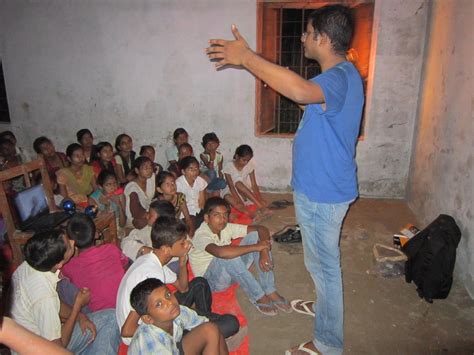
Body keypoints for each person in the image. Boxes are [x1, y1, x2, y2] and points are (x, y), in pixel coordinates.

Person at [205, 5, 364, 354]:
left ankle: (328, 343)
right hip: (319, 188)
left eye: (307, 33)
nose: (302, 37)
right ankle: (325, 312)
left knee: (326, 270)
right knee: (319, 264)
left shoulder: (335, 79)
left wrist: (247, 57)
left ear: (323, 38)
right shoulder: (342, 75)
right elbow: (299, 88)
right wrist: (253, 60)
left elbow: (301, 92)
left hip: (323, 193)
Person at [116, 216, 239, 346]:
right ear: (166, 249)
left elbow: (183, 288)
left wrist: (182, 262)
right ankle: (206, 335)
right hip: (147, 332)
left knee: (199, 283)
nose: (187, 244)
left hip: (159, 312)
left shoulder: (154, 260)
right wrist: (171, 330)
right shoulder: (150, 276)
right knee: (230, 323)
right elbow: (127, 331)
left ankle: (205, 331)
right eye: (182, 242)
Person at [10, 229, 120, 354]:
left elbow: (56, 303)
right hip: (41, 349)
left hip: (32, 338)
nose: (73, 241)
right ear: (59, 264)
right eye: (69, 246)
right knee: (111, 319)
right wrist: (77, 307)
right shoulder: (44, 297)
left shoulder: (33, 263)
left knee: (98, 329)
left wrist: (80, 316)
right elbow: (57, 348)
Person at [189, 197, 291, 316]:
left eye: (225, 215)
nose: (222, 219)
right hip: (212, 282)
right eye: (217, 215)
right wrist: (256, 247)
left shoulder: (225, 227)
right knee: (227, 255)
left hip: (233, 271)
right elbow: (221, 253)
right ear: (207, 218)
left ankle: (270, 289)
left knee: (254, 236)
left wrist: (263, 250)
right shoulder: (201, 235)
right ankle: (258, 296)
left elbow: (261, 229)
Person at [125, 278, 228, 355]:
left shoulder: (176, 311)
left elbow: (204, 323)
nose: (170, 303)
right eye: (159, 304)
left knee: (211, 329)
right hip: (164, 349)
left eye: (168, 295)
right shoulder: (151, 346)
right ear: (148, 318)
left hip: (174, 347)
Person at [61, 213, 128, 312]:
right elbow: (125, 264)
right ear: (96, 234)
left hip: (101, 314)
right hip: (126, 304)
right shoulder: (111, 248)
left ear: (71, 242)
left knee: (62, 285)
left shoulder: (69, 266)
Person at [222, 144, 267, 217]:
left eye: (248, 160)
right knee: (228, 196)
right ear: (236, 157)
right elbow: (231, 187)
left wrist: (259, 198)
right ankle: (251, 215)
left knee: (239, 184)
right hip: (231, 191)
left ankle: (260, 206)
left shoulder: (249, 165)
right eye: (244, 160)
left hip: (244, 191)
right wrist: (239, 202)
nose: (246, 163)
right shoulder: (229, 166)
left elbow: (254, 184)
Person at [156, 171, 195, 238]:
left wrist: (190, 234)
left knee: (192, 220)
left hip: (176, 225)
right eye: (167, 184)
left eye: (173, 182)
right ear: (160, 190)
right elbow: (158, 224)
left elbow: (187, 218)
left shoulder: (180, 197)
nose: (172, 186)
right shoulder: (158, 203)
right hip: (163, 229)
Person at [56, 143, 96, 208]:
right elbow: (64, 197)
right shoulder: (63, 174)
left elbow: (96, 189)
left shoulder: (88, 170)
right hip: (73, 206)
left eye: (82, 155)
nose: (81, 158)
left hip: (90, 202)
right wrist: (77, 207)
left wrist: (91, 201)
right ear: (69, 158)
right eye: (77, 156)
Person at [124, 156, 156, 229]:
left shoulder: (151, 178)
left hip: (148, 211)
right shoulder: (132, 187)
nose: (149, 170)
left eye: (150, 167)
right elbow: (135, 213)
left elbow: (156, 195)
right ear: (137, 170)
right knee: (140, 223)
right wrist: (151, 214)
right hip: (137, 217)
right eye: (145, 168)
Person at [176, 156, 208, 229]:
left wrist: (204, 214)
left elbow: (202, 202)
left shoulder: (200, 181)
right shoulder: (178, 184)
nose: (194, 172)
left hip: (198, 212)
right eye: (191, 169)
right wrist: (188, 219)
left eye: (196, 169)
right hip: (185, 215)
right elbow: (180, 205)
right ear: (183, 171)